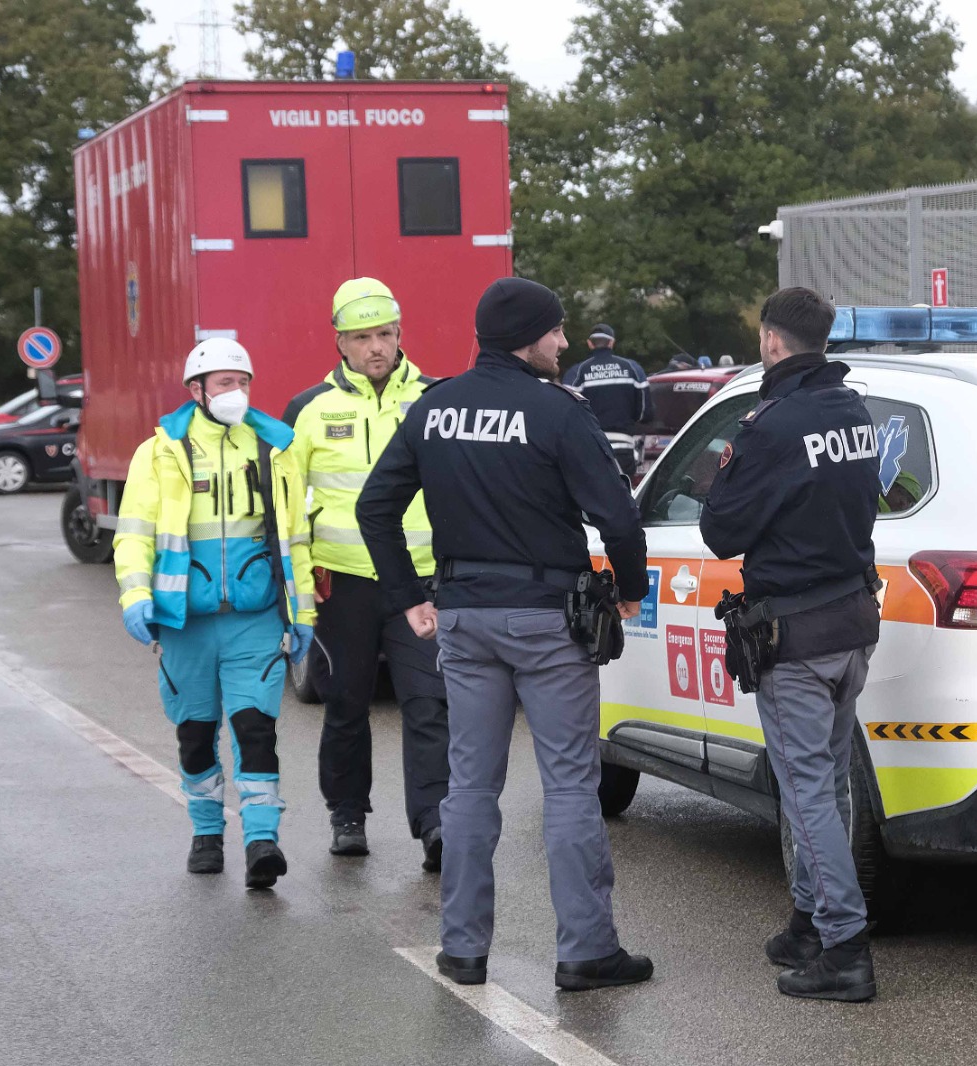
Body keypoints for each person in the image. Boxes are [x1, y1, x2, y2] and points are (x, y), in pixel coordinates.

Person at [357, 277, 654, 991]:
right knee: (571, 786)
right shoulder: (556, 412)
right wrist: (633, 592)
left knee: (469, 787)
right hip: (548, 620)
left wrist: (407, 599)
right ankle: (586, 952)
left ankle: (461, 950)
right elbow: (617, 515)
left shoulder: (435, 409)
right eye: (554, 332)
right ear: (528, 337)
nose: (562, 343)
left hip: (462, 616)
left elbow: (376, 507)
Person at [700, 287, 882, 1002]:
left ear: (773, 341)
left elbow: (722, 532)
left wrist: (724, 474)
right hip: (849, 624)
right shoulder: (853, 412)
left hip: (797, 635)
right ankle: (808, 922)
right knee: (827, 782)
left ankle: (844, 946)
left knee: (807, 792)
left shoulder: (772, 427)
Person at [114, 338, 316, 889]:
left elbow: (294, 539)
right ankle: (206, 832)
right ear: (196, 391)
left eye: (243, 381)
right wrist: (135, 597)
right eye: (225, 383)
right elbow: (134, 536)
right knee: (196, 734)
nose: (237, 392)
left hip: (254, 619)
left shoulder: (274, 448)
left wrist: (303, 615)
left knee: (256, 729)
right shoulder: (159, 453)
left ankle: (261, 839)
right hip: (186, 625)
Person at [282, 278, 448, 868]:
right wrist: (297, 586)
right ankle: (347, 814)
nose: (375, 347)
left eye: (384, 334)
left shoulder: (434, 399)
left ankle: (435, 823)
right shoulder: (307, 411)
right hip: (341, 583)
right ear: (340, 342)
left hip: (419, 581)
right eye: (361, 337)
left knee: (428, 702)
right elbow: (287, 505)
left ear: (400, 333)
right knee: (346, 702)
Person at [561, 324, 651, 478]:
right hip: (624, 447)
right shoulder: (632, 368)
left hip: (589, 449)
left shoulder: (576, 373)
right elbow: (645, 412)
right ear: (611, 343)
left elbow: (564, 414)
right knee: (624, 496)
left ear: (590, 343)